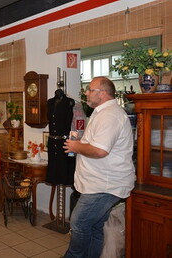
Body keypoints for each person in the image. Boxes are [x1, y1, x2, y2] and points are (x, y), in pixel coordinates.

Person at [63, 77, 135, 258]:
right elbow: (98, 144)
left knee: (79, 222)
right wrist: (81, 144)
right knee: (94, 227)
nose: (86, 93)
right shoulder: (101, 112)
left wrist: (75, 146)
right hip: (98, 182)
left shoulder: (110, 115)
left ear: (102, 93)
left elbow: (100, 150)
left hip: (105, 185)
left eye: (90, 89)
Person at [46, 88, 76, 185]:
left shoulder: (70, 102)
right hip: (52, 142)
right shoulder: (50, 102)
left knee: (64, 173)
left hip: (65, 143)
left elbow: (74, 126)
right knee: (53, 174)